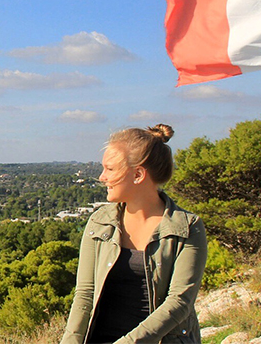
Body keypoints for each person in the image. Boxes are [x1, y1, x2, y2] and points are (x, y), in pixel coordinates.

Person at [60, 125, 207, 344]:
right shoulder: (99, 223)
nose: (102, 177)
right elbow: (85, 294)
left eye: (110, 169)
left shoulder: (187, 229)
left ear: (138, 174)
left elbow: (179, 302)